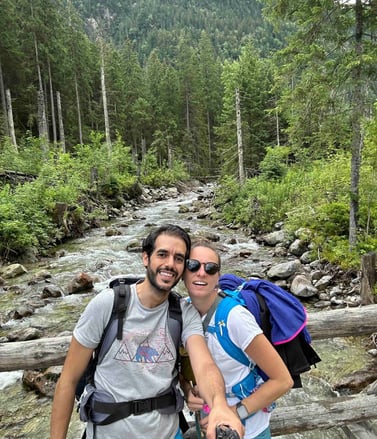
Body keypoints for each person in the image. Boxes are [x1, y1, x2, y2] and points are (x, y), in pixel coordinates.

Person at [50, 224, 244, 439]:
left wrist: (218, 405)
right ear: (146, 258)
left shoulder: (183, 313)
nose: (170, 264)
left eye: (179, 258)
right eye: (162, 254)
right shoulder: (108, 304)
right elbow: (68, 380)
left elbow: (204, 364)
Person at [182, 240, 294, 439]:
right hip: (208, 424)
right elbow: (182, 367)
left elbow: (282, 380)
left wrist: (234, 412)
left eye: (210, 268)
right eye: (193, 265)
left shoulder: (235, 318)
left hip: (249, 430)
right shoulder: (183, 310)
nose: (201, 273)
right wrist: (187, 390)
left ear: (218, 276)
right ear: (183, 271)